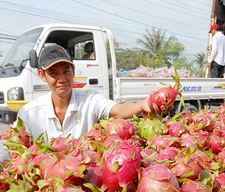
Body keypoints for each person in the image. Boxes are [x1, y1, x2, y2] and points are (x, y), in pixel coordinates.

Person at [16, 44, 161, 142]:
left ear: (73, 71)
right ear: (42, 75)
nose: (61, 79)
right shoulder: (29, 114)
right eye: (53, 73)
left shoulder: (90, 100)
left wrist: (142, 104)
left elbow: (117, 110)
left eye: (66, 72)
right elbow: (16, 146)